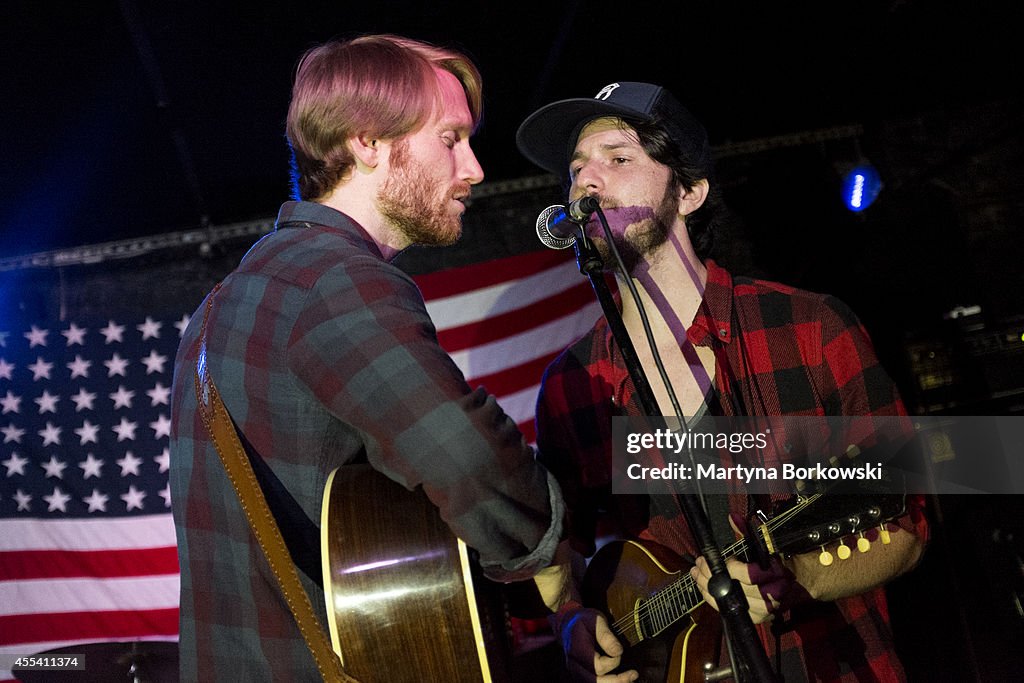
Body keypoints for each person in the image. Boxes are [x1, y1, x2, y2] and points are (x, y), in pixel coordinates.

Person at [169, 34, 564, 681]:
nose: (474, 168)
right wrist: (547, 553)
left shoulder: (217, 308)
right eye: (450, 138)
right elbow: (465, 456)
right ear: (368, 141)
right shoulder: (334, 278)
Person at [516, 82, 928, 682]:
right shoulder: (572, 384)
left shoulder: (809, 328)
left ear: (689, 192)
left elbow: (908, 522)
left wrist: (802, 577)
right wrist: (572, 622)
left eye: (618, 158)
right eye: (577, 169)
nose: (586, 181)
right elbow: (560, 550)